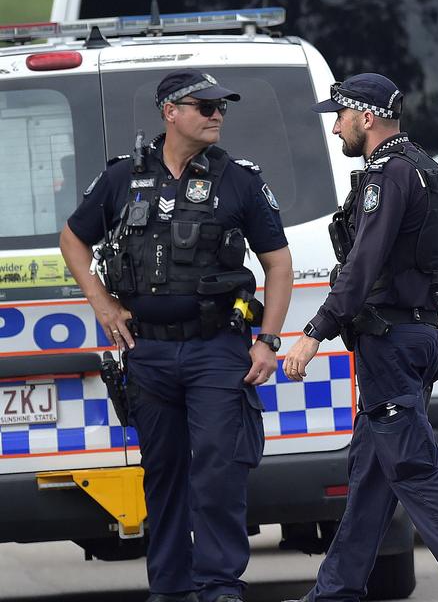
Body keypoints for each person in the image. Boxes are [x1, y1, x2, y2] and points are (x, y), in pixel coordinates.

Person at [60, 69, 293, 602]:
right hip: (148, 351)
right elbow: (73, 239)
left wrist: (268, 340)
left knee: (217, 473)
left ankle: (218, 587)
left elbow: (279, 265)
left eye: (221, 107)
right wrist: (102, 303)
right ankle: (170, 588)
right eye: (204, 106)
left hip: (216, 349)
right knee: (162, 475)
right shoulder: (123, 177)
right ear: (170, 112)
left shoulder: (240, 179)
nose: (217, 115)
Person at [281, 73, 438, 602]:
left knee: (412, 464)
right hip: (420, 337)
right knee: (372, 473)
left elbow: (362, 266)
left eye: (339, 116)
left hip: (389, 340)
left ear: (366, 117)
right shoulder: (428, 169)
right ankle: (336, 590)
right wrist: (414, 272)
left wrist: (313, 333)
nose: (336, 127)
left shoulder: (385, 175)